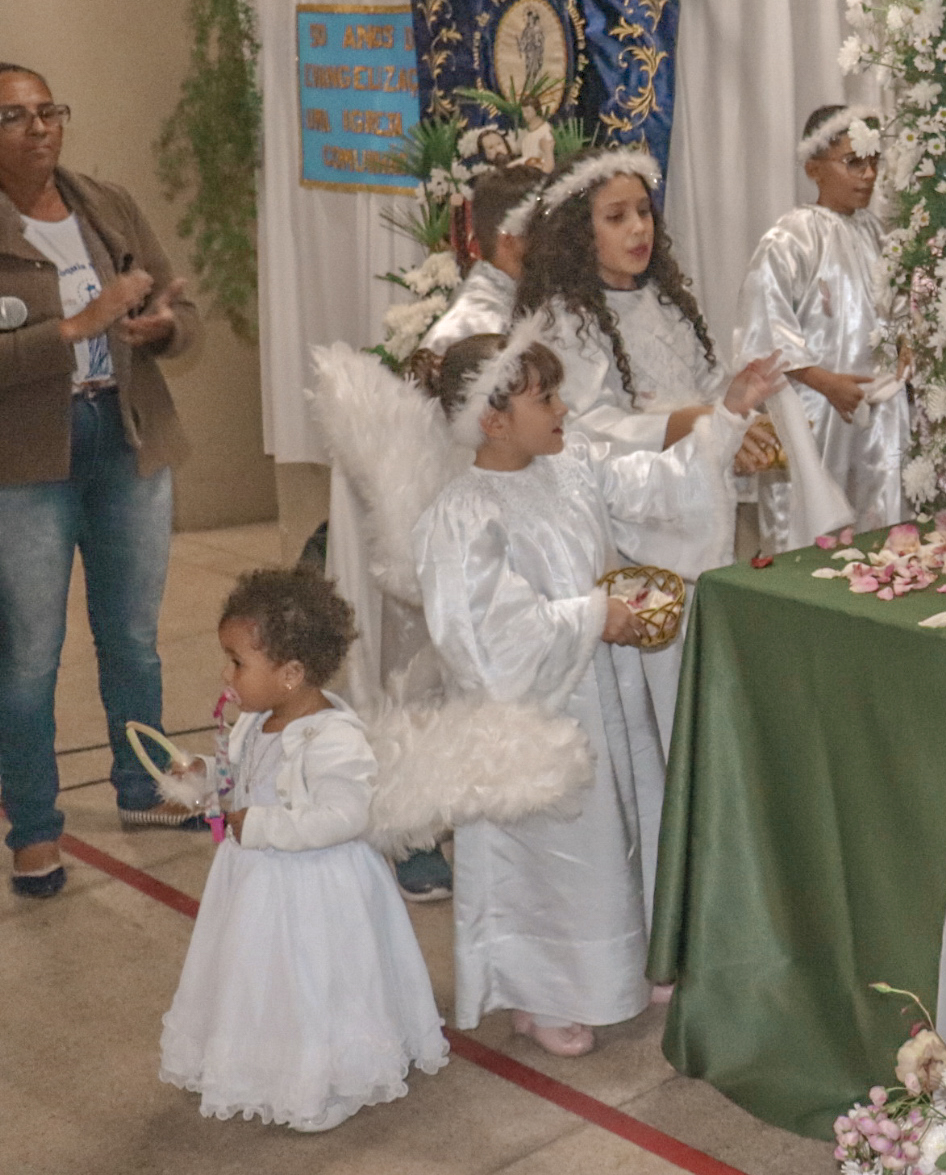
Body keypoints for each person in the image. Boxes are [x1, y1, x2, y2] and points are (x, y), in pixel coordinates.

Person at [414, 327, 778, 1057]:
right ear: (493, 420)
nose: (563, 408)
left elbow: (660, 487)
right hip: (531, 721)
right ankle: (542, 991)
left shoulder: (572, 462)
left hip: (600, 693)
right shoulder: (464, 513)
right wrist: (591, 616)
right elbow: (483, 634)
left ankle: (620, 962)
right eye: (545, 398)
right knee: (551, 849)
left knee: (617, 828)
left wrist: (730, 414)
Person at [0, 62, 205, 899]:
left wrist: (161, 328)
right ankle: (33, 830)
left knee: (132, 638)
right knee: (28, 655)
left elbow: (183, 316)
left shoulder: (105, 204)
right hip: (27, 464)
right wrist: (76, 326)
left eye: (49, 111)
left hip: (125, 437)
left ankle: (143, 785)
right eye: (16, 117)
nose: (40, 128)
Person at [158, 568, 448, 1129]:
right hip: (255, 883)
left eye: (237, 662)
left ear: (291, 673)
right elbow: (241, 777)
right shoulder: (254, 722)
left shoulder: (333, 736)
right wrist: (202, 775)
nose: (226, 674)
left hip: (315, 888)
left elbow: (345, 815)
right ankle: (269, 1064)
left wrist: (262, 826)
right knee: (263, 978)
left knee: (317, 980)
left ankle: (325, 1080)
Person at [514, 145, 769, 737]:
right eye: (616, 216)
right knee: (652, 697)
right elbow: (585, 429)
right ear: (578, 233)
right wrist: (696, 422)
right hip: (631, 530)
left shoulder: (667, 303)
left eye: (644, 212)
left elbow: (710, 383)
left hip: (695, 505)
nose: (638, 228)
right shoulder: (564, 320)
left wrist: (740, 426)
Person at [735, 105, 910, 548]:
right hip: (815, 409)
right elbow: (764, 327)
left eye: (873, 161)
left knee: (878, 524)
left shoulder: (879, 234)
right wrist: (826, 382)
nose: (868, 174)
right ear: (814, 168)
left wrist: (907, 342)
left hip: (877, 410)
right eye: (853, 162)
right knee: (813, 527)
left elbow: (896, 310)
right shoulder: (791, 237)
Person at [421, 163, 544, 358]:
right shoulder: (476, 324)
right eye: (545, 228)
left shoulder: (525, 299)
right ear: (509, 240)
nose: (557, 241)